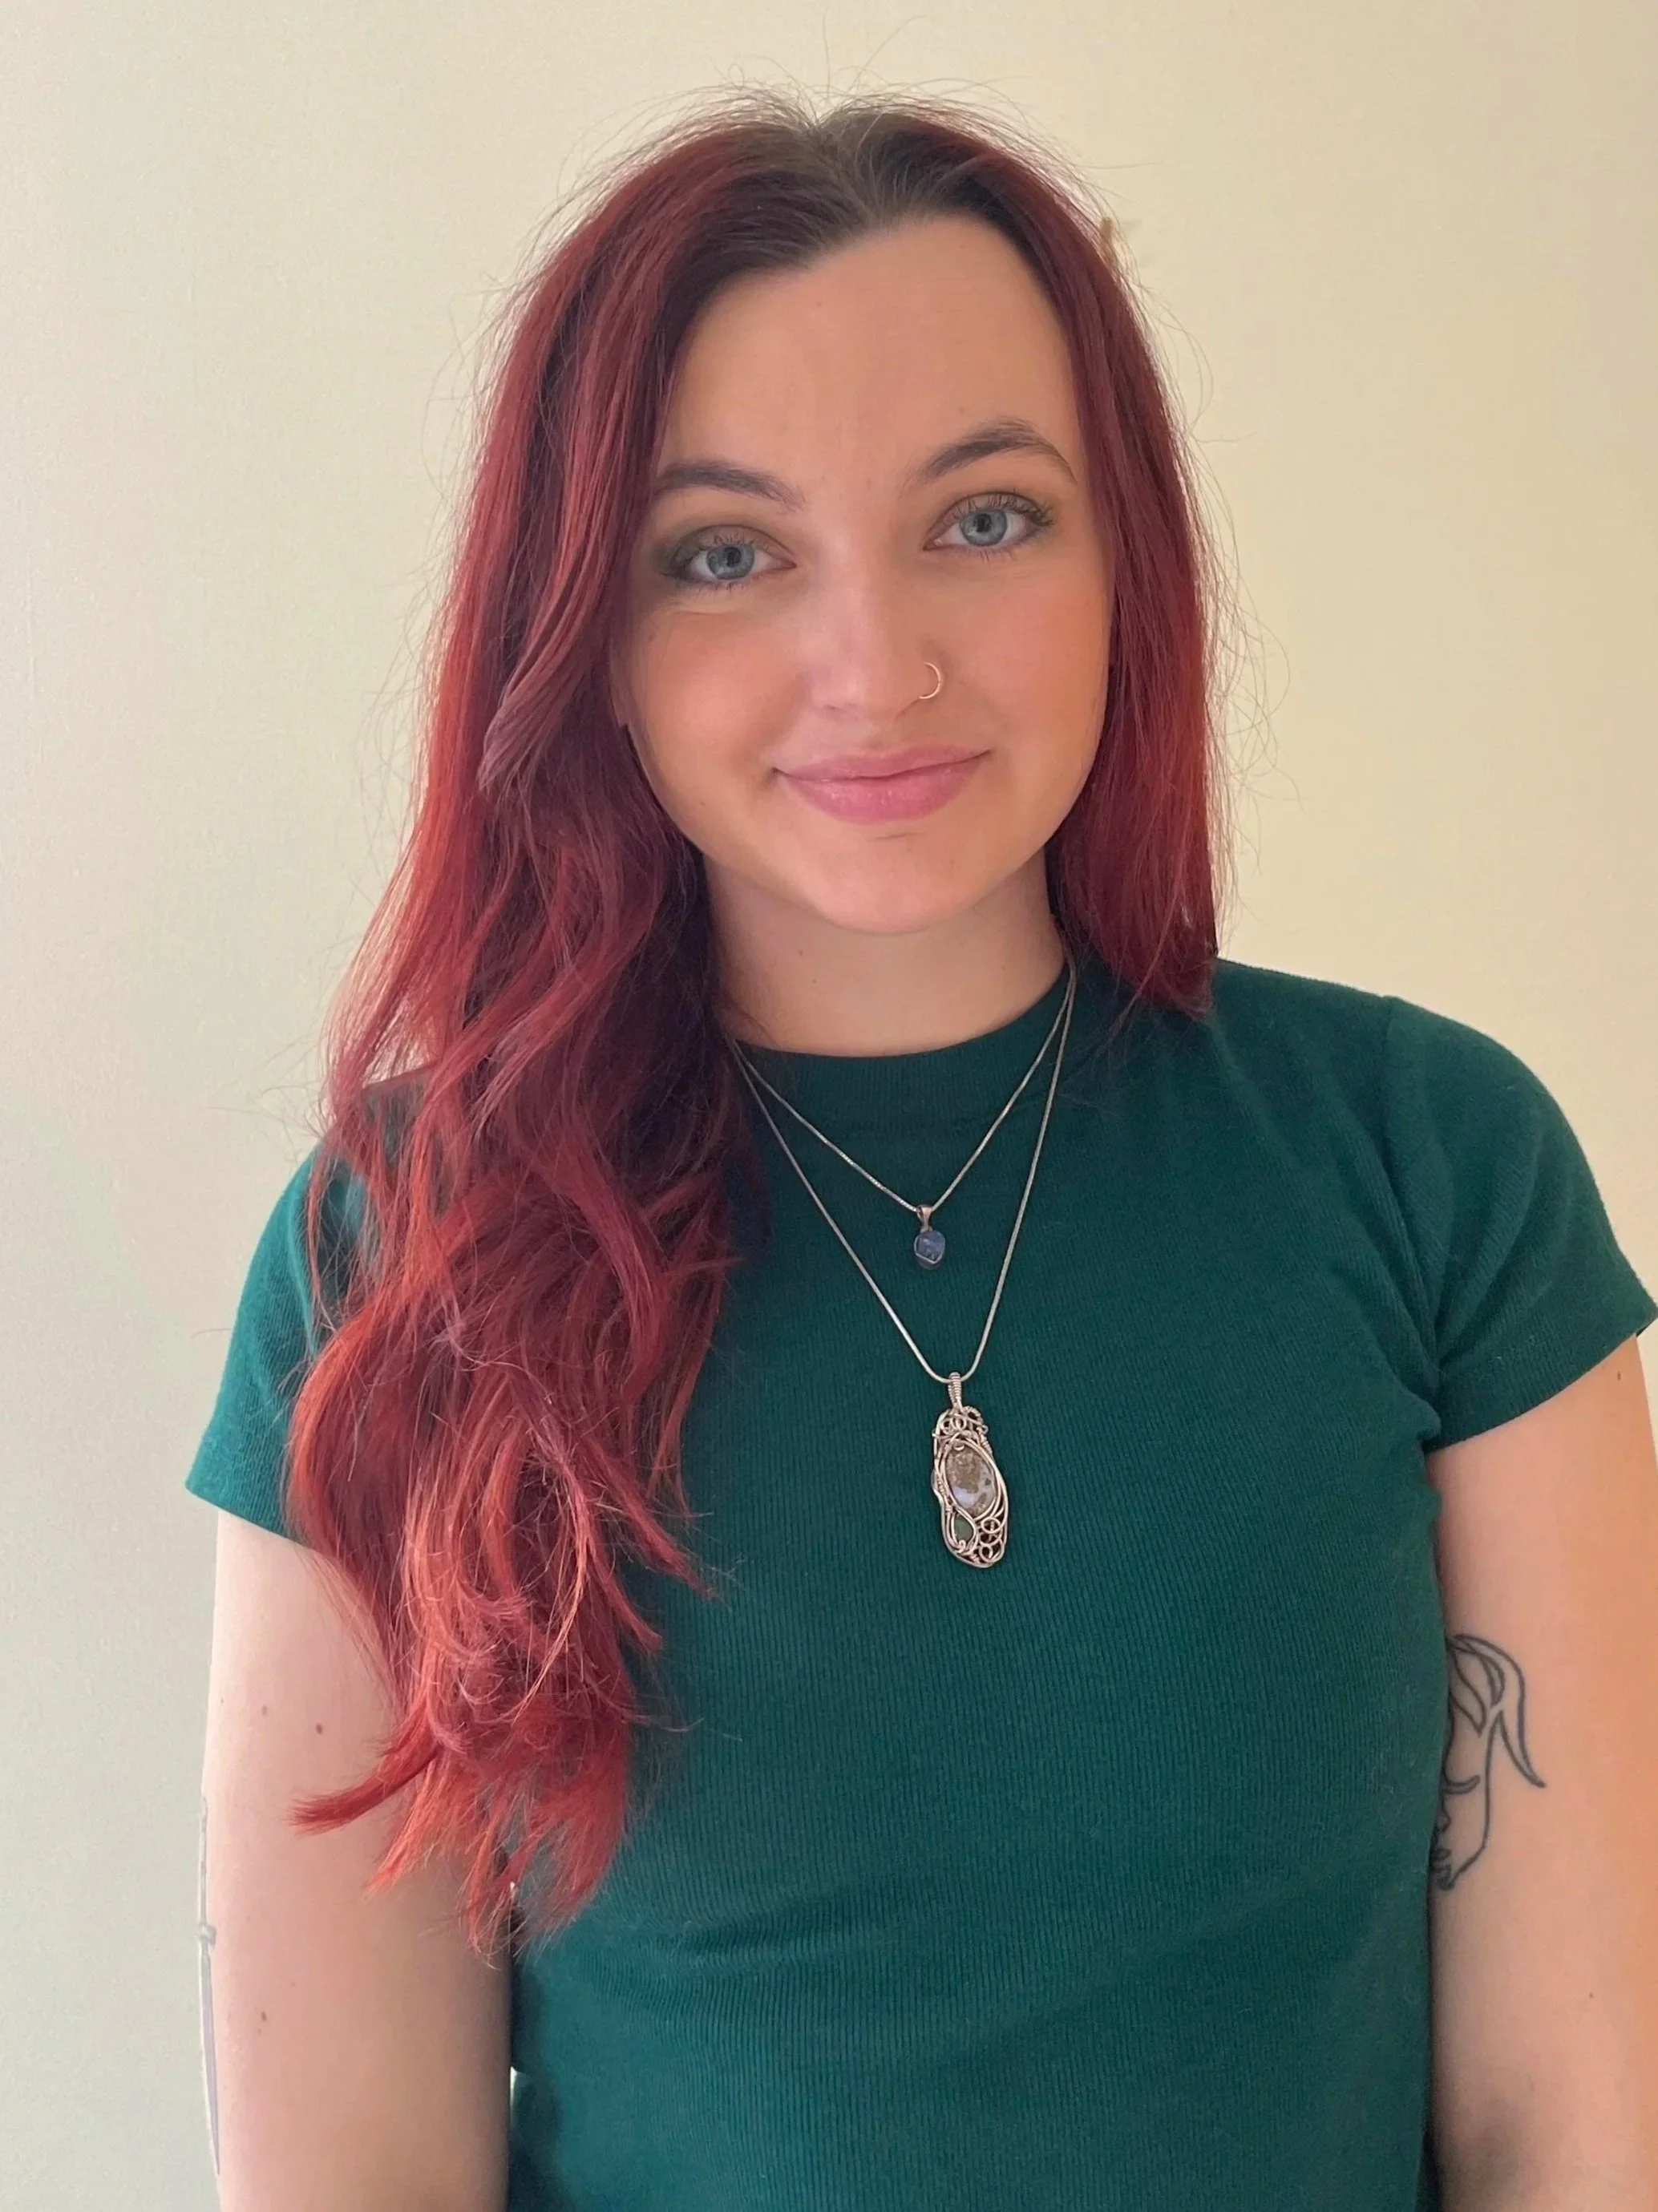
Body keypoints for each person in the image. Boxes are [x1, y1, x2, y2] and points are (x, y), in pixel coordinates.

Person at [184, 86, 1658, 2212]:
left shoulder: (1433, 1177)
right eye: (724, 552)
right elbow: (350, 2173)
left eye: (981, 516)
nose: (871, 664)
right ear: (583, 638)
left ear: (1121, 560)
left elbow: (1572, 2124)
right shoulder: (389, 1261)